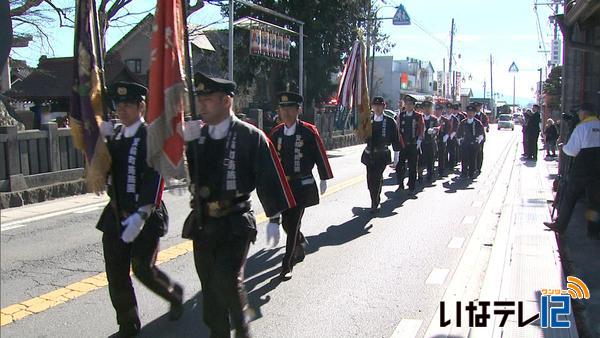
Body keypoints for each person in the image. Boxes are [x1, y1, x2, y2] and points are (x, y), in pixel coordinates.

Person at [183, 72, 296, 338]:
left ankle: (241, 325)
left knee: (226, 278)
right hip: (203, 221)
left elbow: (269, 177)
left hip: (235, 222)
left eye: (208, 99)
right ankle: (218, 332)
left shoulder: (250, 136)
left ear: (226, 101)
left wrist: (275, 219)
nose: (202, 105)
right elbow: (185, 176)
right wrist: (187, 146)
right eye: (200, 99)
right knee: (209, 287)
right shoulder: (196, 135)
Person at [97, 81, 183, 337]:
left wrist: (142, 214)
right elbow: (101, 172)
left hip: (145, 213)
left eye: (128, 105)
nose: (122, 110)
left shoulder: (151, 136)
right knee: (115, 272)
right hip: (116, 214)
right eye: (119, 105)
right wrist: (97, 145)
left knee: (143, 269)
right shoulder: (114, 136)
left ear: (141, 106)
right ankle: (128, 323)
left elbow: (156, 176)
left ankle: (173, 293)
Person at [267, 91, 334, 280]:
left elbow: (320, 153)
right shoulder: (276, 133)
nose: (286, 112)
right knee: (288, 224)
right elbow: (270, 161)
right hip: (283, 187)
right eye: (282, 108)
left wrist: (323, 177)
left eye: (290, 108)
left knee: (293, 222)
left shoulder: (308, 131)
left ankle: (287, 264)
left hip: (301, 186)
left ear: (298, 110)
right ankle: (300, 242)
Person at [544, 103, 600, 240]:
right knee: (594, 201)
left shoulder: (582, 128)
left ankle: (560, 225)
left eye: (580, 113)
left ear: (584, 114)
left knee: (570, 196)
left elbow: (572, 150)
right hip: (598, 166)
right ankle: (593, 230)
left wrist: (563, 147)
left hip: (583, 165)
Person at [363, 96, 402, 213]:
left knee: (376, 177)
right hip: (369, 154)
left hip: (382, 155)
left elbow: (396, 140)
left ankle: (375, 203)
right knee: (370, 180)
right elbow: (362, 135)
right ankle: (374, 198)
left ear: (384, 107)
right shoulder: (368, 120)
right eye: (375, 106)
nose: (377, 108)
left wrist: (396, 158)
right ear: (372, 107)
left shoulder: (390, 121)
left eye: (380, 106)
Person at [394, 95, 424, 192]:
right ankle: (400, 184)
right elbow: (397, 129)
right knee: (399, 166)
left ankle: (411, 186)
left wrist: (419, 140)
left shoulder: (418, 116)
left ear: (413, 105)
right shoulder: (401, 115)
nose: (408, 106)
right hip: (403, 145)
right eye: (406, 104)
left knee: (412, 167)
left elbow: (421, 129)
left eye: (410, 104)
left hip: (413, 145)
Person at [457, 105, 485, 179]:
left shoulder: (477, 123)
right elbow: (459, 133)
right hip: (465, 144)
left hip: (473, 144)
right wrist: (460, 140)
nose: (470, 114)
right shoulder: (463, 122)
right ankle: (464, 173)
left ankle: (471, 173)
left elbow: (481, 133)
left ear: (474, 113)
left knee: (473, 159)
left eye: (472, 112)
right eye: (468, 112)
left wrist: (478, 141)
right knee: (464, 159)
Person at [419, 100, 439, 182]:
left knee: (430, 160)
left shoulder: (434, 119)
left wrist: (435, 130)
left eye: (429, 108)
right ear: (422, 109)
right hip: (421, 143)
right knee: (420, 160)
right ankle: (419, 176)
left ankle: (430, 175)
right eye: (425, 108)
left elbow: (438, 128)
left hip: (431, 142)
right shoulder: (420, 118)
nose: (427, 110)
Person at [435, 103, 451, 176]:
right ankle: (431, 171)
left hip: (442, 140)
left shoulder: (445, 120)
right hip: (433, 140)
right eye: (436, 110)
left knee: (442, 156)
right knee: (433, 156)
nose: (438, 112)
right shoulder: (433, 118)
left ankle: (441, 171)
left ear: (442, 111)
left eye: (439, 110)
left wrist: (446, 135)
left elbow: (449, 129)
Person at [473, 102, 490, 173]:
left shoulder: (483, 116)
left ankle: (479, 167)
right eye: (476, 107)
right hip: (472, 136)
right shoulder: (472, 115)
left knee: (479, 151)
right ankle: (473, 166)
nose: (477, 108)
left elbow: (486, 124)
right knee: (473, 152)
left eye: (478, 107)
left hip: (480, 136)